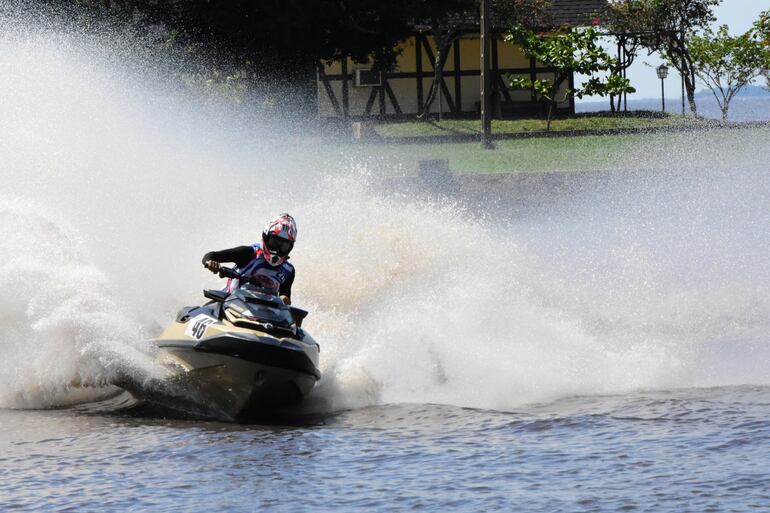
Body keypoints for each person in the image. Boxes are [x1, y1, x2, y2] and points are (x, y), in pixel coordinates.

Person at [202, 213, 297, 304]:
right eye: (274, 243)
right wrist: (210, 262)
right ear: (266, 237)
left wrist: (285, 299)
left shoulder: (288, 271)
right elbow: (211, 255)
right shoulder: (247, 253)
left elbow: (285, 296)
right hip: (228, 304)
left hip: (264, 315)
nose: (277, 249)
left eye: (283, 246)